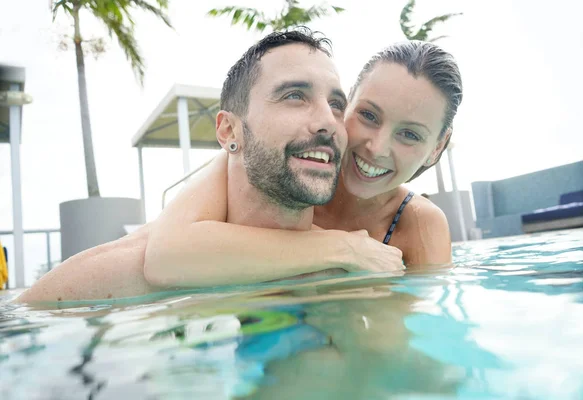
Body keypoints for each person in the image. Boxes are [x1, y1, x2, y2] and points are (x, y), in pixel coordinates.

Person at [15, 28, 405, 303]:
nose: (327, 121)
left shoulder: (366, 260)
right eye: (293, 95)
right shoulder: (123, 275)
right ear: (228, 131)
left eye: (337, 104)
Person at [142, 37, 463, 289]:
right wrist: (342, 248)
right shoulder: (284, 173)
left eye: (409, 134)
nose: (377, 148)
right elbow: (164, 256)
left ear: (436, 149)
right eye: (367, 115)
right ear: (344, 104)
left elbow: (418, 341)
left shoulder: (417, 224)